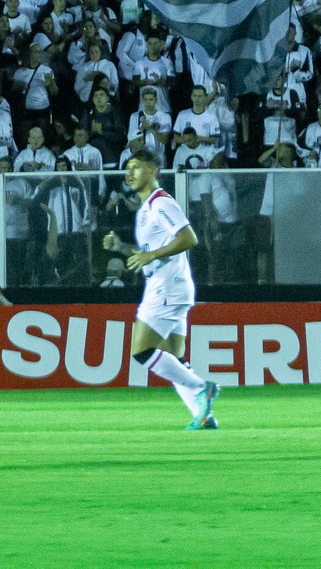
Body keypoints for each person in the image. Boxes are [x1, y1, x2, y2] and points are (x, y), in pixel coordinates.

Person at [100, 148, 219, 429]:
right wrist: (122, 248)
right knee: (175, 360)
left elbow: (189, 238)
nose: (129, 173)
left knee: (142, 352)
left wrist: (150, 256)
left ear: (153, 170)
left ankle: (203, 387)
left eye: (137, 167)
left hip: (166, 287)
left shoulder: (161, 203)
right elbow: (149, 251)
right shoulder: (144, 210)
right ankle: (203, 417)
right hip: (171, 287)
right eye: (127, 168)